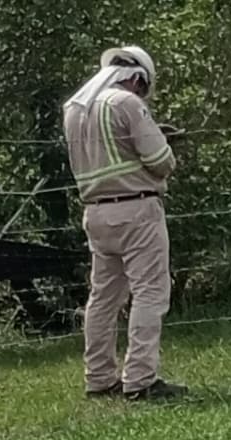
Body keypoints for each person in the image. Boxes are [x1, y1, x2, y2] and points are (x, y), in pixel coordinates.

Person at [64, 45, 186, 401]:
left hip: (96, 212)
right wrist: (163, 140)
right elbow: (161, 161)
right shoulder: (127, 103)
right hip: (136, 210)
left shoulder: (75, 108)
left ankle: (99, 378)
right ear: (136, 77)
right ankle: (141, 379)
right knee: (150, 292)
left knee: (103, 297)